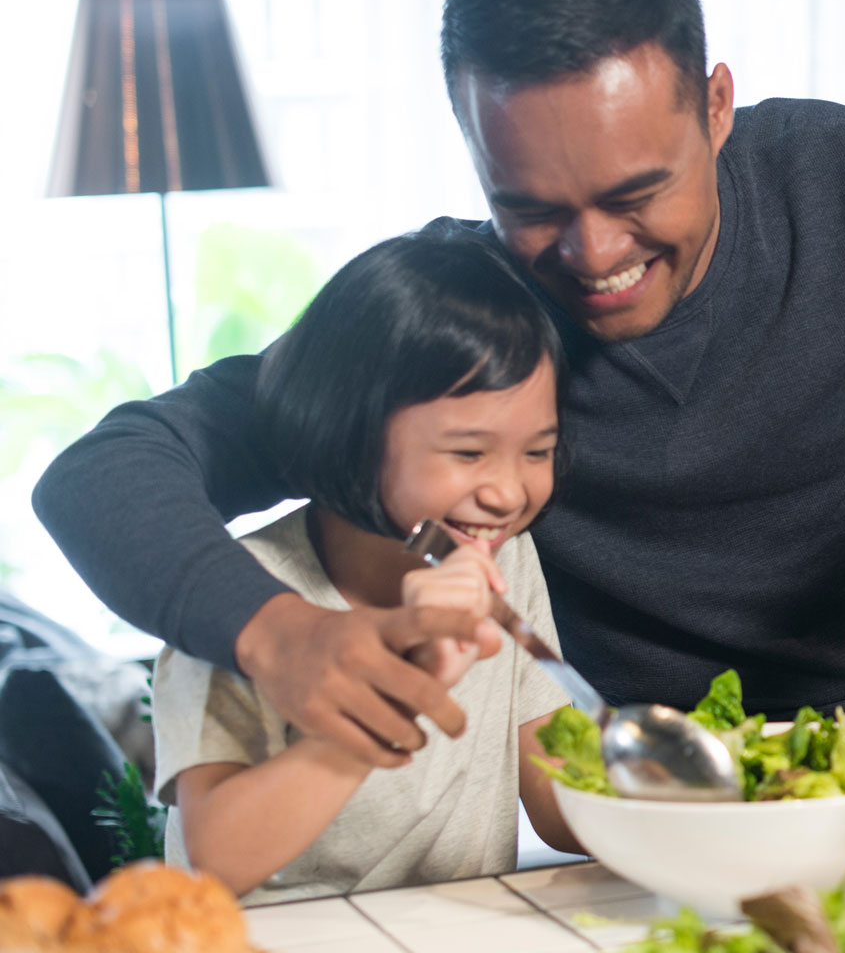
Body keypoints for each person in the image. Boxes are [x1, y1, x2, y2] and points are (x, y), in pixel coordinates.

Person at [36, 0, 845, 770]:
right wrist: (273, 635)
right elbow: (102, 473)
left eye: (638, 192)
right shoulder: (455, 321)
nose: (591, 253)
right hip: (644, 780)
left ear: (715, 106)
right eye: (531, 205)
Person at [151, 220, 582, 903]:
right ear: (351, 431)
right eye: (468, 453)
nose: (508, 491)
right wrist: (396, 696)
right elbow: (216, 858)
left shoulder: (506, 559)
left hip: (452, 950)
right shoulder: (238, 598)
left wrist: (688, 794)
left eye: (537, 452)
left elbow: (555, 793)